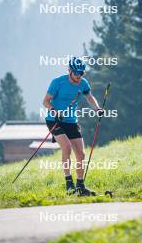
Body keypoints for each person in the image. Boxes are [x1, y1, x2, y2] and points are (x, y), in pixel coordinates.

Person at [43, 57, 104, 196]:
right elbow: (45, 101)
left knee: (81, 154)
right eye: (76, 73)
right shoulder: (58, 82)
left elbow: (89, 97)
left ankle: (80, 186)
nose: (79, 76)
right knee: (67, 147)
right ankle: (68, 183)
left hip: (71, 120)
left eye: (81, 73)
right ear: (69, 71)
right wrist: (54, 111)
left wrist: (97, 109)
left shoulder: (83, 83)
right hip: (54, 119)